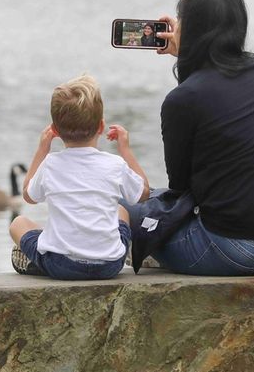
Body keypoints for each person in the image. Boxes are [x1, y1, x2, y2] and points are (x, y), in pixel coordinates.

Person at [124, 0, 254, 276]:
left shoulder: (182, 99)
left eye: (182, 21)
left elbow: (180, 187)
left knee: (127, 206)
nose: (176, 26)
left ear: (192, 29)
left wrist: (185, 57)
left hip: (234, 252)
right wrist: (187, 54)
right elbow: (211, 92)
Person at [9, 74, 150, 280]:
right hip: (109, 265)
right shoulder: (115, 164)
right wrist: (125, 150)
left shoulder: (50, 164)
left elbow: (29, 196)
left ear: (55, 130)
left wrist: (43, 148)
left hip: (61, 264)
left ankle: (41, 259)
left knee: (18, 223)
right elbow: (143, 193)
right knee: (121, 210)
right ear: (101, 127)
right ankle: (114, 248)